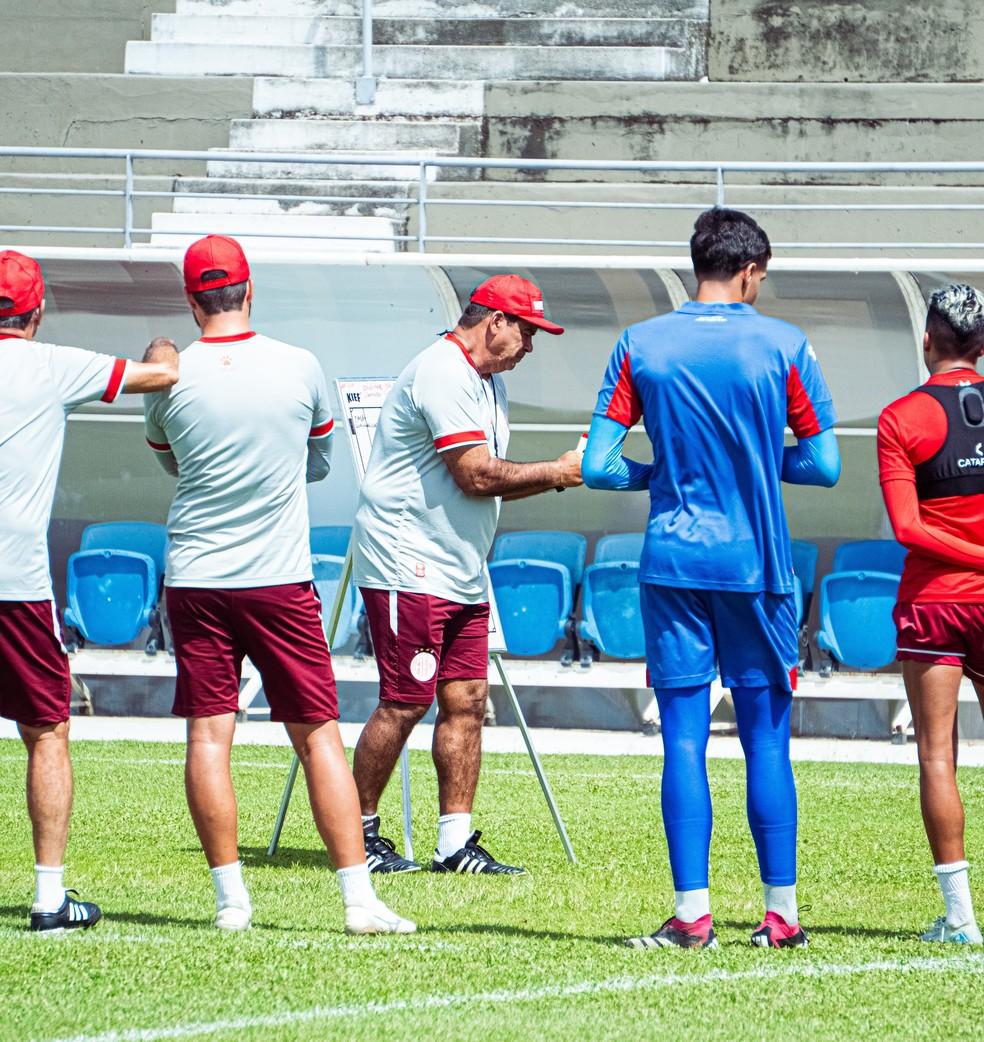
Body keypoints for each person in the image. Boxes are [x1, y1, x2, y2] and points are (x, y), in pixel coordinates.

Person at [584, 208, 840, 949]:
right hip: (757, 565)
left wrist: (662, 470)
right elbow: (824, 465)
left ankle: (693, 914)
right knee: (766, 740)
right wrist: (757, 461)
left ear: (698, 264)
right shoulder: (784, 343)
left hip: (672, 562)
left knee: (684, 742)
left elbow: (600, 465)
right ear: (752, 270)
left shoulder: (641, 344)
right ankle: (781, 915)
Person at [144, 235, 413, 934]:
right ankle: (358, 900)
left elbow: (170, 462)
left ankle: (232, 902)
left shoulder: (169, 373)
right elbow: (320, 459)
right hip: (279, 579)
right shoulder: (300, 365)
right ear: (249, 289)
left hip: (197, 576)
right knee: (318, 736)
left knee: (209, 736)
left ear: (190, 298)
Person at [352, 275, 582, 874]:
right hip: (409, 562)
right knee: (404, 701)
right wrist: (559, 471)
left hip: (459, 565)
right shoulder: (443, 371)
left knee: (467, 701)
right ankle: (360, 835)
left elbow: (493, 483)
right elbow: (477, 475)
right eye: (527, 331)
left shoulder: (487, 382)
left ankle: (454, 844)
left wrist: (555, 475)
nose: (530, 346)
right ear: (494, 322)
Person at [0, 249, 179, 932]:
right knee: (47, 730)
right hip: (14, 583)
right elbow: (163, 372)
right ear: (37, 312)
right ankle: (49, 898)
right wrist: (164, 341)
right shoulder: (51, 366)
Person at [878, 283, 984, 945]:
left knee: (937, 758)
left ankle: (961, 919)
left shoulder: (901, 418)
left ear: (927, 342)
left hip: (936, 602)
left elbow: (908, 526)